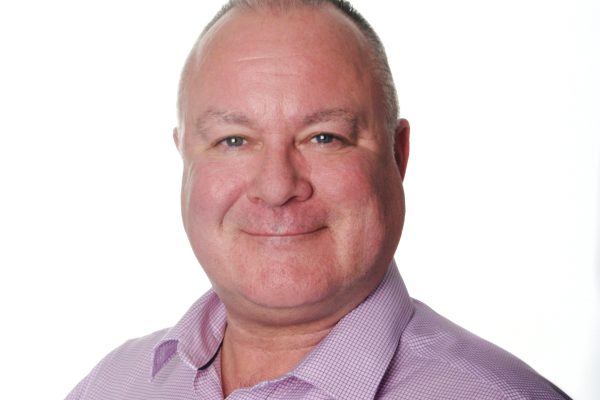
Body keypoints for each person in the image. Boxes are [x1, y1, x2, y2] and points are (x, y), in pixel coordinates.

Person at [65, 1, 571, 399]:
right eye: (233, 140)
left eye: (324, 137)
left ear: (398, 155)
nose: (277, 187)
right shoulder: (113, 385)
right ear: (185, 160)